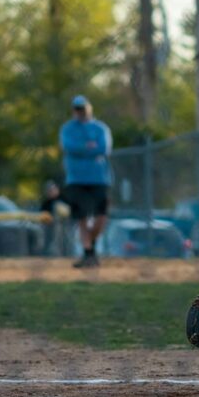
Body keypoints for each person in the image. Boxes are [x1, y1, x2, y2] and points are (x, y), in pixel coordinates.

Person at [59, 95, 113, 268]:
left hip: (99, 178)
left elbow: (103, 148)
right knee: (81, 217)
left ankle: (89, 248)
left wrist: (82, 148)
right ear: (73, 110)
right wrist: (89, 147)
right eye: (77, 108)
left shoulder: (100, 128)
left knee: (101, 218)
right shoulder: (67, 129)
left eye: (83, 108)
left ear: (89, 108)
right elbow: (69, 147)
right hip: (76, 179)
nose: (80, 111)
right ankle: (89, 254)